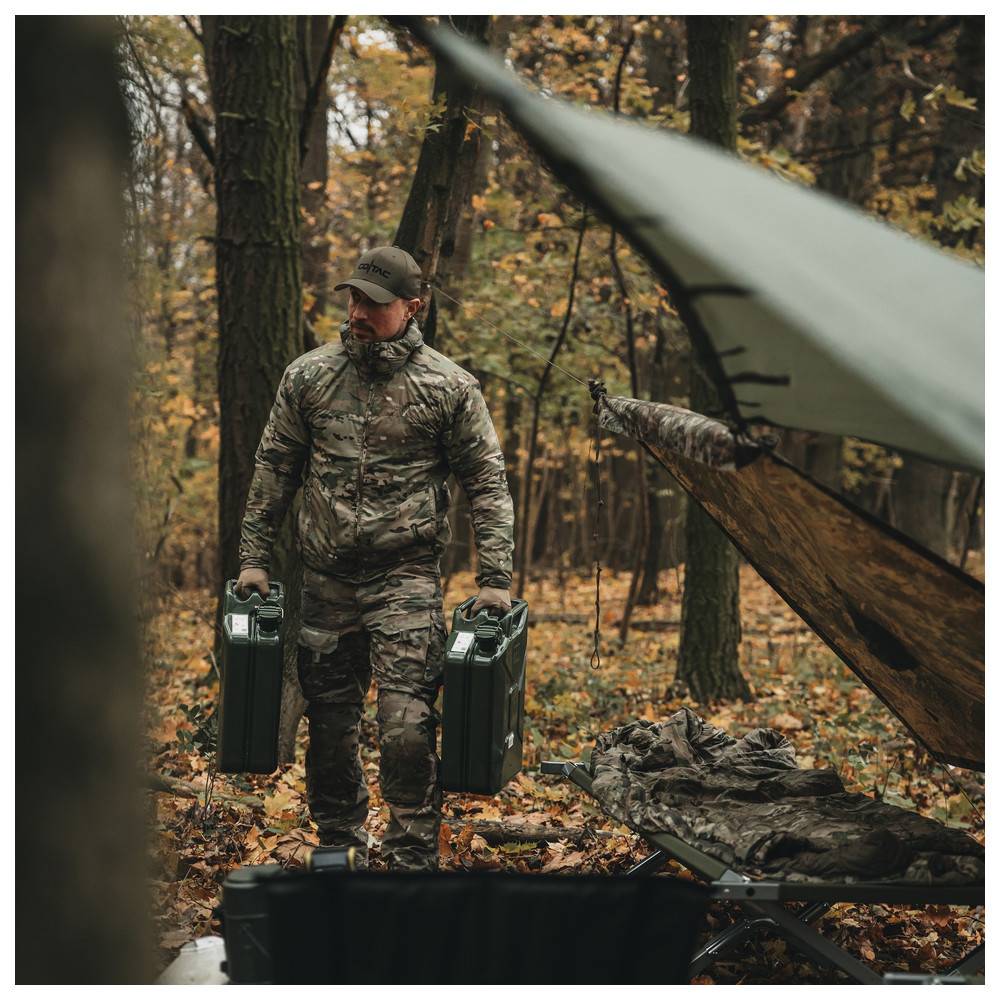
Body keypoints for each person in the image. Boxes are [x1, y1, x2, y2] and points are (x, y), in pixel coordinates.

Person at [236, 245, 515, 871]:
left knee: (407, 723)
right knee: (331, 724)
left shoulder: (449, 386)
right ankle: (339, 846)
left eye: (375, 303)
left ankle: (411, 853)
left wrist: (494, 579)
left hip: (406, 580)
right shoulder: (309, 376)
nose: (359, 312)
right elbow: (274, 470)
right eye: (355, 298)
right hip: (326, 581)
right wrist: (254, 558)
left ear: (413, 307)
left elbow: (487, 484)